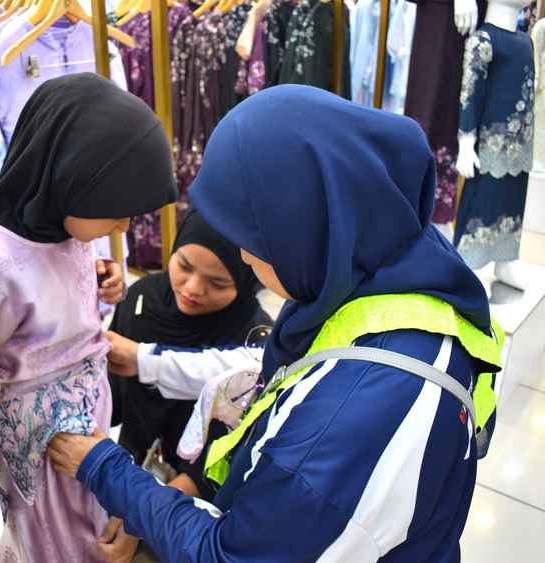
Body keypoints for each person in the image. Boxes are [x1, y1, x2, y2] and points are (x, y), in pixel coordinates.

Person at [48, 85, 503, 562]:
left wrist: (108, 471)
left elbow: (230, 555)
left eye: (253, 236)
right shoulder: (392, 263)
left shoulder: (345, 419)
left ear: (303, 230)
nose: (244, 255)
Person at [0, 73, 177, 563]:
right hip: (35, 459)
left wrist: (101, 282)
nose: (123, 227)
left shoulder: (65, 230)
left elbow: (61, 302)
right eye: (115, 212)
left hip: (86, 431)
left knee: (92, 535)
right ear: (68, 180)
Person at [108, 209, 270, 492]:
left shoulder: (254, 341)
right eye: (184, 266)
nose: (193, 288)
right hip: (130, 465)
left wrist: (160, 502)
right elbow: (113, 394)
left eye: (217, 283)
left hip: (196, 489)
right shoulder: (142, 299)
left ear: (246, 282)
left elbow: (234, 442)